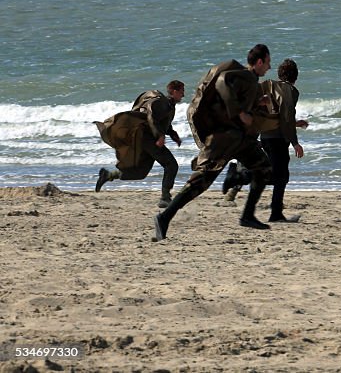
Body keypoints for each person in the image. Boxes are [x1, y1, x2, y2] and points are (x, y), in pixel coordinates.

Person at [153, 44, 277, 241]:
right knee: (200, 182)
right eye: (268, 62)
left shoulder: (251, 80)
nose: (269, 67)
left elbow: (237, 99)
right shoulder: (244, 75)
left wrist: (256, 103)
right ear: (259, 62)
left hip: (239, 138)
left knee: (265, 169)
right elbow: (222, 83)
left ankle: (246, 211)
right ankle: (164, 217)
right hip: (224, 138)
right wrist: (240, 112)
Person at [221, 59, 308, 222]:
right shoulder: (290, 90)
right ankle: (239, 177)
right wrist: (295, 142)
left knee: (277, 175)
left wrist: (295, 124)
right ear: (295, 76)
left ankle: (275, 212)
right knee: (279, 176)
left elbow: (271, 114)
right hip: (278, 140)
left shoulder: (267, 86)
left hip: (265, 136)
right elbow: (286, 117)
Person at [94, 80, 186, 208]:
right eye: (182, 91)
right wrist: (160, 135)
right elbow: (151, 118)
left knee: (140, 173)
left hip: (147, 140)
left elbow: (163, 123)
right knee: (171, 165)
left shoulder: (169, 105)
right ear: (174, 91)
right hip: (149, 139)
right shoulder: (162, 102)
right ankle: (165, 198)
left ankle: (108, 175)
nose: (183, 94)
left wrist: (173, 134)